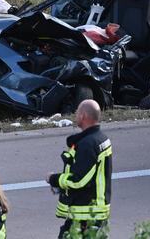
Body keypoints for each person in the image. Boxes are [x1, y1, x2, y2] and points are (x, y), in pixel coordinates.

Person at [46, 99, 113, 239]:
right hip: (95, 212)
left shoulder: (88, 144)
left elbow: (79, 180)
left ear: (83, 116)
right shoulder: (101, 138)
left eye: (77, 112)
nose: (75, 115)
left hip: (85, 215)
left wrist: (54, 179)